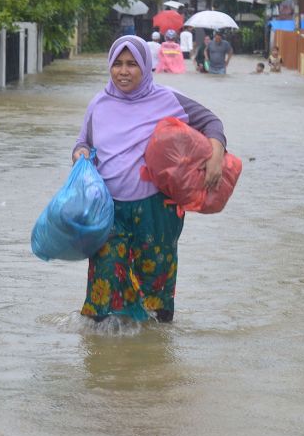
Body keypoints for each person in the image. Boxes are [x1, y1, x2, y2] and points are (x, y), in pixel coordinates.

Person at [72, 36, 227, 323]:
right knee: (104, 286)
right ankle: (102, 358)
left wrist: (216, 154)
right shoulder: (98, 104)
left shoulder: (167, 98)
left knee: (155, 291)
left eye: (132, 64)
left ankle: (153, 358)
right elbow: (83, 143)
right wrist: (80, 154)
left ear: (146, 67)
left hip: (157, 211)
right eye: (117, 64)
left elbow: (211, 123)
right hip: (109, 211)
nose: (123, 71)